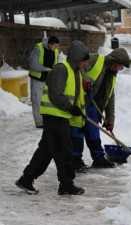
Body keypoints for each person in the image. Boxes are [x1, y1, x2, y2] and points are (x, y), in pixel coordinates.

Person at [16, 40, 89, 195]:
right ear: (77, 58)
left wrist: (78, 117)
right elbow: (55, 95)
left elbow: (76, 98)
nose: (85, 63)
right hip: (55, 117)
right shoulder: (61, 70)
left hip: (61, 117)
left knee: (47, 150)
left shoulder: (74, 73)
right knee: (63, 151)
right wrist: (71, 108)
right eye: (84, 60)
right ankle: (66, 185)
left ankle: (26, 179)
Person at [71, 48, 131, 172]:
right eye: (121, 66)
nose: (121, 69)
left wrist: (110, 121)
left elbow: (110, 98)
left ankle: (98, 157)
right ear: (114, 61)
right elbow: (78, 65)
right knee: (77, 132)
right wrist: (84, 79)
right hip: (80, 102)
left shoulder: (112, 75)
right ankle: (75, 160)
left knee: (93, 133)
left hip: (94, 106)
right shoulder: (95, 59)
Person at [29, 36, 60, 128]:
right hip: (37, 79)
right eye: (54, 46)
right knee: (37, 100)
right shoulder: (38, 48)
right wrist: (46, 69)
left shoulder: (56, 51)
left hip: (48, 80)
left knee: (48, 101)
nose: (56, 49)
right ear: (49, 44)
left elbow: (55, 65)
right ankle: (39, 122)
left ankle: (48, 120)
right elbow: (33, 64)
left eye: (57, 46)